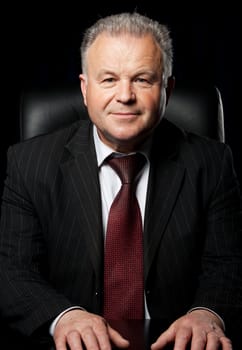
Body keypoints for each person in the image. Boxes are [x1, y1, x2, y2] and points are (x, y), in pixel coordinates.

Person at [0, 11, 241, 350]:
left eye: (142, 80)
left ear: (167, 90)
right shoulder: (28, 164)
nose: (125, 95)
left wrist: (206, 313)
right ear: (85, 89)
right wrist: (65, 316)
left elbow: (227, 264)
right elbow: (14, 273)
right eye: (109, 79)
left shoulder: (211, 164)